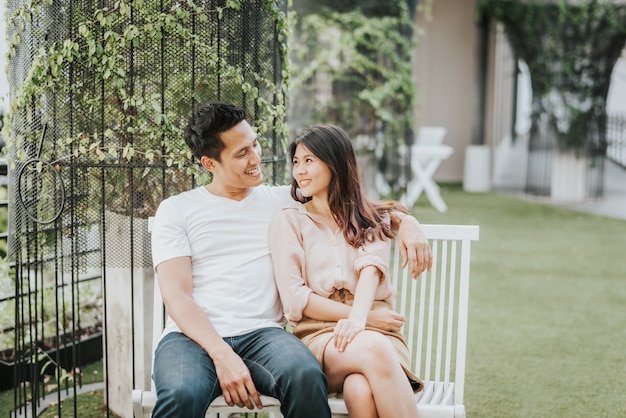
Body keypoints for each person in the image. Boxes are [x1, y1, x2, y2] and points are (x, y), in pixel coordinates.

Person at [150, 102, 431, 418]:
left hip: (262, 336)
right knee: (181, 393)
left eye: (254, 144)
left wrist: (407, 222)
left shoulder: (285, 201)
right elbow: (176, 296)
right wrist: (222, 354)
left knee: (305, 376)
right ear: (209, 163)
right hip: (190, 339)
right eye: (241, 154)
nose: (255, 158)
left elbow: (352, 205)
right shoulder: (177, 210)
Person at [269, 124, 430, 418]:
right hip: (319, 334)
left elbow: (372, 268)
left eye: (309, 161)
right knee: (374, 348)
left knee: (359, 388)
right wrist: (364, 319)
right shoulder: (290, 221)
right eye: (296, 162)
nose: (299, 171)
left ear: (335, 163)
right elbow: (295, 299)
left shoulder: (369, 218)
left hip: (380, 330)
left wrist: (408, 222)